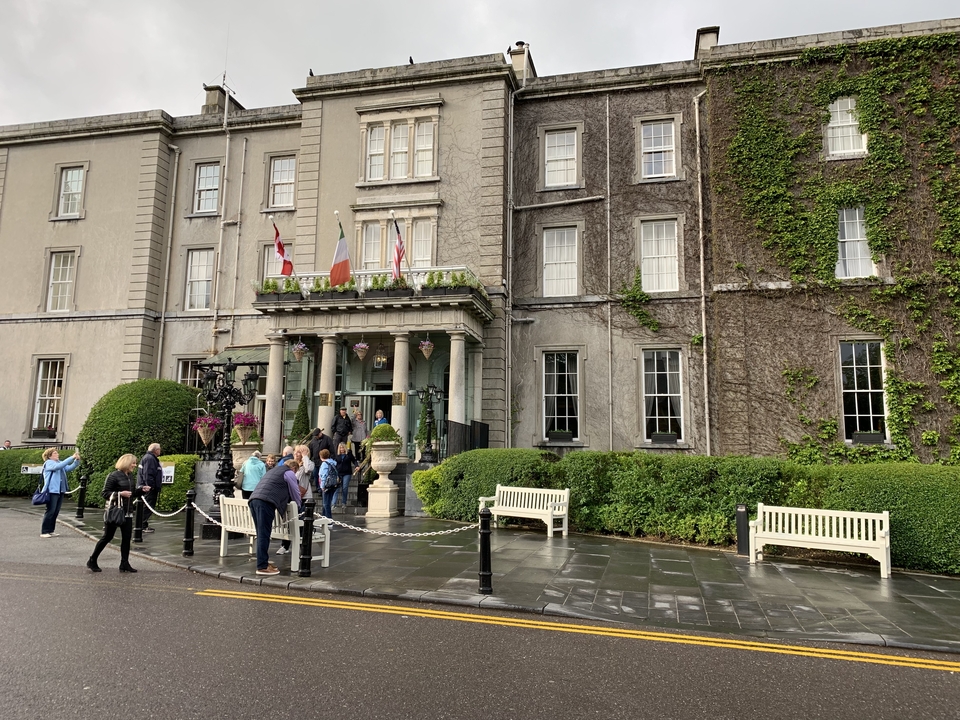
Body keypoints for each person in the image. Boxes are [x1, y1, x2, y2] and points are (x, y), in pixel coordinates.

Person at [248, 458, 303, 576]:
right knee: (264, 534)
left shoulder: (273, 471)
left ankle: (263, 562)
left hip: (253, 500)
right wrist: (299, 507)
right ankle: (262, 566)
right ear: (293, 468)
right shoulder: (288, 472)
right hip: (265, 502)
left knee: (261, 533)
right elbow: (295, 492)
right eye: (296, 472)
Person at [87, 454, 140, 573]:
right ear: (126, 463)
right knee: (107, 537)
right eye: (133, 463)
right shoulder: (113, 476)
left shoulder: (130, 476)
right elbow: (105, 493)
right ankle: (92, 560)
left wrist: (141, 491)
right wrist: (120, 494)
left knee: (126, 538)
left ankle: (124, 563)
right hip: (115, 511)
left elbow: (131, 493)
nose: (135, 465)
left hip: (128, 511)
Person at [278, 445, 314, 556]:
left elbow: (308, 469)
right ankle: (285, 545)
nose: (296, 454)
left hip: (304, 497)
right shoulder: (291, 464)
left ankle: (302, 547)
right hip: (292, 497)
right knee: (289, 522)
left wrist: (305, 457)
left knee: (303, 523)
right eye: (296, 452)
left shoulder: (308, 464)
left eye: (299, 452)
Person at [39, 447, 80, 537]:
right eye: (55, 453)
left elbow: (68, 468)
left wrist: (76, 461)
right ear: (49, 456)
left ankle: (51, 530)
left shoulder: (59, 462)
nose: (57, 454)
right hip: (51, 490)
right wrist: (71, 457)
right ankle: (44, 531)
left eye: (57, 453)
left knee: (56, 511)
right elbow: (58, 467)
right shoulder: (49, 463)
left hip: (60, 490)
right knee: (50, 510)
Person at [136, 443, 162, 533]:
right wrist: (151, 487)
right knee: (147, 507)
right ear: (156, 450)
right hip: (148, 488)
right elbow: (148, 474)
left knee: (146, 507)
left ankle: (142, 524)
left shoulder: (149, 458)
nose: (160, 450)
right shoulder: (150, 459)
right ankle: (142, 525)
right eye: (159, 449)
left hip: (146, 487)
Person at [334, 442, 358, 511]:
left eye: (343, 447)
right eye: (340, 448)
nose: (342, 449)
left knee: (345, 488)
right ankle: (334, 503)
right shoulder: (337, 455)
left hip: (347, 473)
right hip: (339, 473)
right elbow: (334, 464)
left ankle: (343, 503)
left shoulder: (349, 454)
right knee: (336, 488)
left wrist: (356, 466)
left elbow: (354, 460)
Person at [317, 448, 339, 519]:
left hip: (327, 485)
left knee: (326, 504)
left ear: (321, 456)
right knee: (326, 503)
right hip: (333, 484)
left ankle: (329, 520)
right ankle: (323, 519)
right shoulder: (333, 462)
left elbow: (324, 475)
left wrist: (322, 486)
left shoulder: (324, 464)